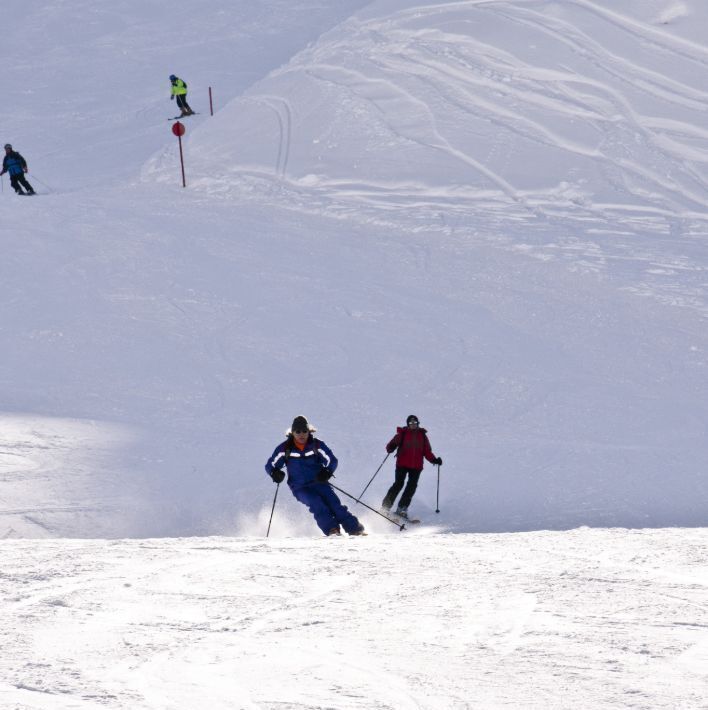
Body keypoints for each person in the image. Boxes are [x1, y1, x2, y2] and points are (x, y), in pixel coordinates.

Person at [265, 415, 365, 536]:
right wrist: (274, 473)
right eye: (298, 431)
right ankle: (332, 530)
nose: (301, 434)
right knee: (317, 504)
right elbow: (270, 465)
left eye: (304, 431)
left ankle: (355, 529)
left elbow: (331, 460)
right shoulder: (285, 449)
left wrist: (327, 472)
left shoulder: (316, 445)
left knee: (335, 505)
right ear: (292, 432)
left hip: (320, 483)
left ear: (309, 431)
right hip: (300, 487)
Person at [381, 414, 442, 519]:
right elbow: (390, 445)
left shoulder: (422, 435)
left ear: (418, 423)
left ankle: (402, 508)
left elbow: (426, 451)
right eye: (411, 423)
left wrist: (434, 460)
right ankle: (385, 507)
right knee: (398, 484)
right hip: (402, 464)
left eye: (415, 423)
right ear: (407, 424)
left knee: (411, 487)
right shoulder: (402, 434)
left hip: (416, 466)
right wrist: (391, 447)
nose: (413, 424)